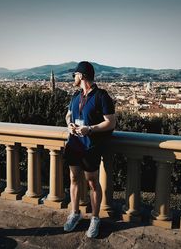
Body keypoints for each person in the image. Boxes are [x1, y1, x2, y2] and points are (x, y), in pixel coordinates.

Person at [63, 61, 116, 238]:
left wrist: (90, 129)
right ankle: (75, 213)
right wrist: (69, 125)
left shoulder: (102, 96)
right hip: (74, 144)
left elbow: (111, 122)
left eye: (74, 75)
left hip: (90, 147)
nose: (73, 78)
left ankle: (95, 218)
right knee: (73, 178)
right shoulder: (76, 96)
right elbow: (68, 115)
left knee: (92, 182)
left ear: (82, 76)